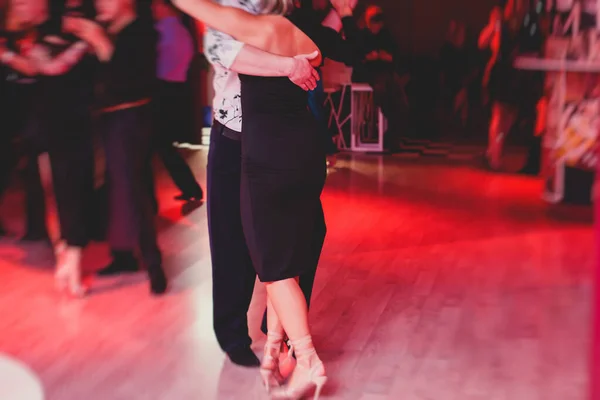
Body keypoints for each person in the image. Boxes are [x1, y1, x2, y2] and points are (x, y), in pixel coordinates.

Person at [175, 0, 356, 397]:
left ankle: (305, 360)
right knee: (280, 254)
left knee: (274, 264)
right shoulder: (305, 28)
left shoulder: (263, 26)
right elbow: (335, 47)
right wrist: (298, 59)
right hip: (297, 148)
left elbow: (223, 39)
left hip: (267, 153)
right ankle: (273, 351)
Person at [201, 0, 319, 368]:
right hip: (233, 137)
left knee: (299, 237)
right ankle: (234, 334)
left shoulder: (290, 8)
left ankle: (283, 337)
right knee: (231, 238)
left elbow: (318, 50)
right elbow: (224, 51)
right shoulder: (228, 8)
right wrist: (288, 65)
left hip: (279, 143)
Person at [66, 0, 168, 295]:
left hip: (130, 119)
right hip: (108, 120)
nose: (99, 3)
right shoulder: (109, 31)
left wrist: (99, 43)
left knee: (132, 189)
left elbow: (129, 80)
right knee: (114, 189)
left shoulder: (141, 33)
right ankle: (123, 255)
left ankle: (153, 264)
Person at [150, 0, 204, 203]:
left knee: (161, 146)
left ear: (166, 7)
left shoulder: (163, 32)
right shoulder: (182, 31)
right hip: (175, 89)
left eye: (155, 5)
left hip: (162, 91)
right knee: (163, 146)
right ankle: (191, 188)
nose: (152, 9)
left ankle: (191, 189)